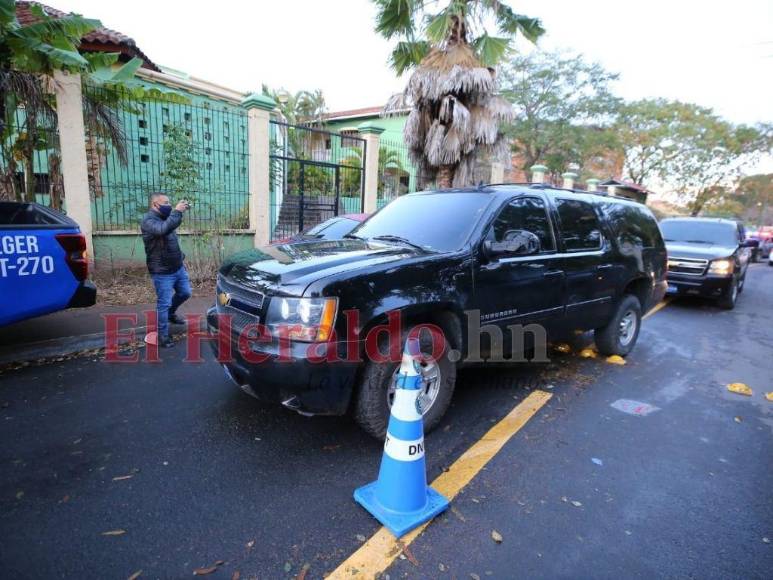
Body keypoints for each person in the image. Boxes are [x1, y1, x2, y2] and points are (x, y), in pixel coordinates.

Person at [141, 193, 192, 348]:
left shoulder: (167, 218)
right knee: (164, 303)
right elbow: (162, 230)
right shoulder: (148, 220)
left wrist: (181, 257)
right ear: (155, 204)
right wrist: (177, 211)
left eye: (169, 202)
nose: (169, 205)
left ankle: (171, 314)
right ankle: (162, 335)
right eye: (165, 203)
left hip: (177, 267)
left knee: (185, 293)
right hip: (162, 271)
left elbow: (171, 237)